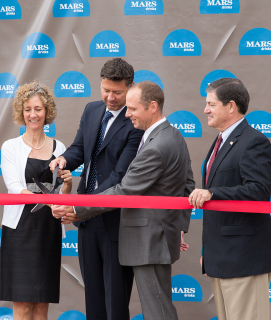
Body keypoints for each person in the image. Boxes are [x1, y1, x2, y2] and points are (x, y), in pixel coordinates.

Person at [53, 81, 195, 320]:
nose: (126, 114)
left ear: (152, 107)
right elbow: (187, 184)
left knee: (157, 311)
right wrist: (178, 226)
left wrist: (78, 207)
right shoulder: (173, 135)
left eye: (132, 108)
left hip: (150, 242)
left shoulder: (156, 146)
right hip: (156, 239)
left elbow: (124, 191)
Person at [49, 58, 143, 320]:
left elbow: (119, 177)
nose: (110, 97)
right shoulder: (92, 110)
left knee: (115, 301)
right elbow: (80, 148)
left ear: (130, 87)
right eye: (105, 90)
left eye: (117, 92)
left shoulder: (136, 121)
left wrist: (81, 209)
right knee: (94, 298)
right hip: (86, 221)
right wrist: (64, 159)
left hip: (115, 221)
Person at [189, 78, 271, 320]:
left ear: (231, 106)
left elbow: (258, 191)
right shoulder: (220, 140)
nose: (205, 110)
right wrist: (210, 251)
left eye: (211, 104)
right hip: (222, 257)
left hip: (244, 258)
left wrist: (212, 193)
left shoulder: (254, 141)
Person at [0, 81, 72, 320]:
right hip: (20, 230)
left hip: (48, 230)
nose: (33, 114)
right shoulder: (10, 147)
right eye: (28, 109)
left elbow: (62, 196)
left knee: (42, 305)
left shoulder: (59, 147)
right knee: (22, 305)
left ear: (47, 111)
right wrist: (52, 202)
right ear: (21, 112)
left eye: (38, 109)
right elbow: (14, 189)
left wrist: (68, 186)